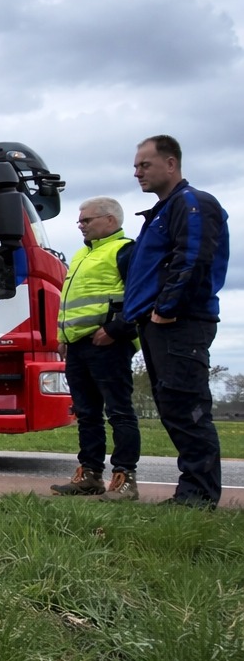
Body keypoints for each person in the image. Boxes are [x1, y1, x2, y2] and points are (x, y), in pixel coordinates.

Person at [123, 135, 230, 509]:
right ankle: (192, 491)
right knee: (173, 406)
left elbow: (194, 258)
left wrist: (167, 308)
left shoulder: (192, 204)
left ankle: (198, 496)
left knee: (187, 407)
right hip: (158, 324)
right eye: (136, 166)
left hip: (180, 322)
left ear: (171, 164)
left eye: (145, 164)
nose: (137, 172)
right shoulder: (163, 212)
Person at [49, 197, 140, 501]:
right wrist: (62, 337)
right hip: (77, 346)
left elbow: (140, 298)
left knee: (119, 411)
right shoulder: (81, 256)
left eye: (86, 221)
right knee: (87, 414)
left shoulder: (125, 250)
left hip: (108, 345)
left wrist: (115, 331)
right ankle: (89, 475)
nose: (80, 226)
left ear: (110, 221)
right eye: (80, 221)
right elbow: (70, 302)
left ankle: (125, 478)